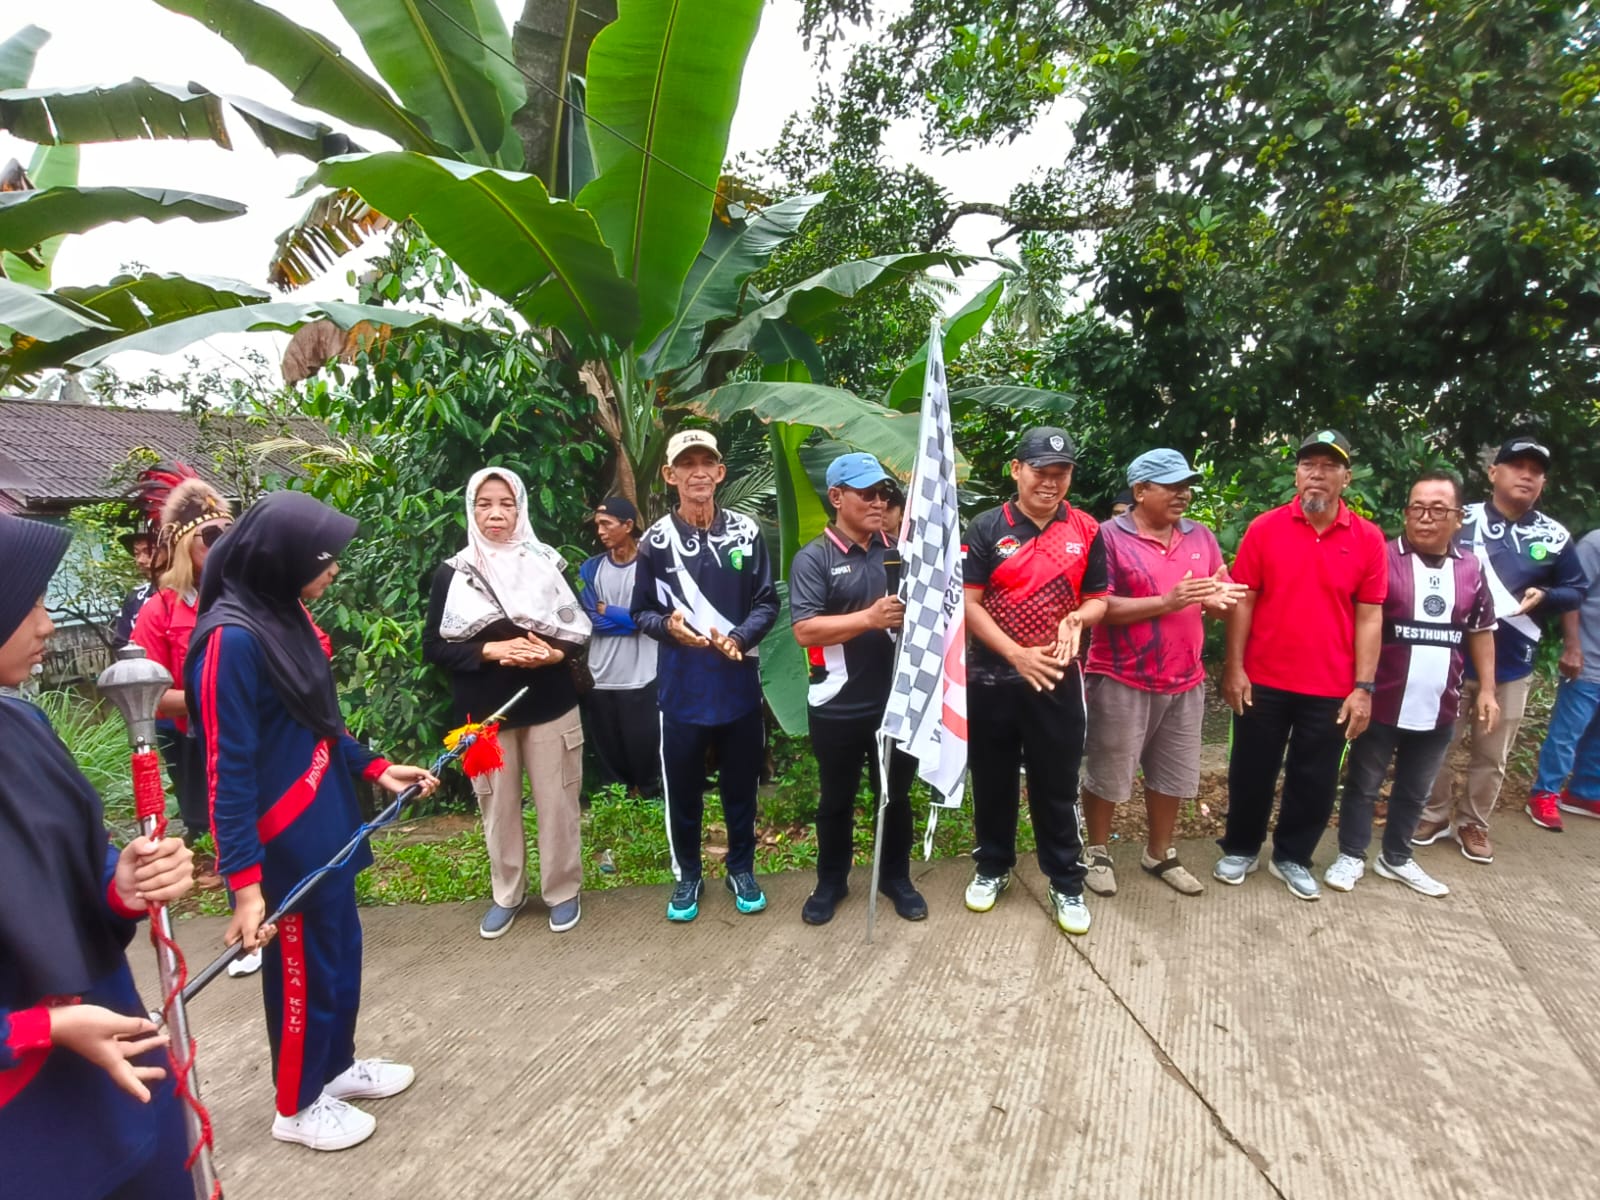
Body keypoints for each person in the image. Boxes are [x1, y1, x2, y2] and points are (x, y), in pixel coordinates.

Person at [188, 491, 440, 1152]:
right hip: (283, 842)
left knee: (339, 951)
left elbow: (320, 720)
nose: (333, 572)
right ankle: (296, 1105)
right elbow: (228, 771)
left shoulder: (284, 614)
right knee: (299, 966)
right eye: (324, 560)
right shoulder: (230, 642)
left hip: (326, 816)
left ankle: (335, 1066)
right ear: (284, 558)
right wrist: (244, 883)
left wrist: (376, 767)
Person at [1, 513, 197, 1199]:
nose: (47, 626)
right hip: (28, 1119)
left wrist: (125, 881)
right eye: (25, 605)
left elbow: (75, 864)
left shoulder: (21, 721)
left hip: (116, 1044)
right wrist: (37, 1027)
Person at [1217, 431, 1387, 901]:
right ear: (1296, 474)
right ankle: (1241, 847)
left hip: (1331, 685)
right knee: (1251, 769)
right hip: (1263, 678)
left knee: (1314, 778)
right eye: (1309, 464)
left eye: (1329, 466)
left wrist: (1363, 687)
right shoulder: (1265, 528)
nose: (1318, 473)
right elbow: (1243, 600)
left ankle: (1291, 856)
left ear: (1346, 478)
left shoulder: (1368, 539)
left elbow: (1370, 615)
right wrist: (1234, 666)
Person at [423, 468, 591, 939]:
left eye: (506, 503)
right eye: (484, 503)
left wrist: (552, 653)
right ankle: (507, 893)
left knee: (558, 801)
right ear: (471, 510)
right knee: (496, 806)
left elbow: (576, 633)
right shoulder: (454, 573)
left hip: (551, 704)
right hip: (486, 715)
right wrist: (491, 650)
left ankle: (562, 890)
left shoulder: (547, 563)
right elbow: (434, 648)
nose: (496, 514)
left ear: (520, 507)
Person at [962, 426, 1107, 936]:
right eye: (1040, 470)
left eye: (1061, 472)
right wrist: (1015, 654)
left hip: (1059, 680)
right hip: (991, 678)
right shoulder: (985, 527)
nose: (1051, 481)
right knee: (993, 778)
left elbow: (1098, 598)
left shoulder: (1088, 529)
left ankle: (1066, 880)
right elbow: (968, 603)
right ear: (1016, 469)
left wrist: (1078, 619)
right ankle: (993, 866)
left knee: (1057, 783)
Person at [1325, 472, 1498, 898]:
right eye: (1417, 508)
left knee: (1415, 790)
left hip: (1440, 704)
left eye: (1438, 509)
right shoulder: (1381, 558)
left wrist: (1489, 690)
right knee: (1364, 783)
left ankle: (1397, 857)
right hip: (1381, 699)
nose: (1425, 518)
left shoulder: (1472, 568)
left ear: (1458, 518)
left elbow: (1480, 630)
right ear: (1405, 514)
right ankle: (1351, 854)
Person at [1081, 450, 1243, 898]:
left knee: (1172, 774)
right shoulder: (1107, 538)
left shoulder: (1200, 536)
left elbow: (1219, 585)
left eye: (1185, 485)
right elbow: (1099, 608)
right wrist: (1168, 602)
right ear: (1139, 491)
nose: (1183, 494)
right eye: (1171, 485)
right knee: (1109, 773)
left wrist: (1220, 598)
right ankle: (1095, 851)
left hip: (1184, 678)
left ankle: (1160, 852)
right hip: (1121, 677)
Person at [631, 429, 779, 923]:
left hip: (738, 688)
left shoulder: (746, 532)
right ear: (671, 475)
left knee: (741, 786)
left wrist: (738, 638)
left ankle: (741, 868)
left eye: (706, 463)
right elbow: (641, 613)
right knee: (684, 790)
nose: (697, 472)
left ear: (720, 472)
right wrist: (669, 629)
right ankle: (688, 875)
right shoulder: (654, 541)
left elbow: (766, 602)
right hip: (682, 691)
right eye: (685, 464)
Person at [1415, 436, 1584, 854]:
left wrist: (1545, 597)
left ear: (1543, 482)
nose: (1526, 475)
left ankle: (1473, 823)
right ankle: (1432, 815)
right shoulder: (1459, 518)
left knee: (1492, 755)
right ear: (1494, 472)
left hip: (1512, 663)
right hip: (1451, 656)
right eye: (1516, 466)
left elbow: (1576, 589)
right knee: (1436, 744)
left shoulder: (1555, 535)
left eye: (1536, 470)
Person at [789, 451, 926, 926]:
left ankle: (896, 877)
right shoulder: (814, 557)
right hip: (838, 704)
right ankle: (831, 881)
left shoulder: (898, 550)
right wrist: (869, 619)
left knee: (897, 797)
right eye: (866, 493)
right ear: (836, 497)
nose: (877, 501)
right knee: (836, 799)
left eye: (883, 493)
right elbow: (805, 630)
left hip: (897, 702)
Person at [130, 478, 232, 848]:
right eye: (211, 536)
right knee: (209, 828)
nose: (224, 543)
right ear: (186, 547)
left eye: (230, 532)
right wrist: (216, 694)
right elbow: (149, 696)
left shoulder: (259, 596)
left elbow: (316, 645)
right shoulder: (158, 612)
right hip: (194, 740)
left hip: (257, 731)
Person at [578, 496, 660, 799]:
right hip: (602, 673)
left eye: (606, 524)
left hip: (643, 671)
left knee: (644, 740)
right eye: (598, 525)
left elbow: (656, 617)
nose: (600, 531)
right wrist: (634, 619)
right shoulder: (591, 569)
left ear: (628, 525)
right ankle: (615, 800)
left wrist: (611, 612)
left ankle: (651, 795)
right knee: (608, 743)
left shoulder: (651, 567)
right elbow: (590, 619)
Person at [1525, 526, 1600, 823]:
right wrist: (1572, 646)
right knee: (1567, 733)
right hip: (1587, 658)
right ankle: (1544, 793)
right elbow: (1573, 594)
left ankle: (1584, 793)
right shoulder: (1595, 544)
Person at [112, 530, 157, 647]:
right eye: (136, 553)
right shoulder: (135, 598)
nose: (140, 560)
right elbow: (121, 643)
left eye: (148, 551)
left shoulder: (197, 593)